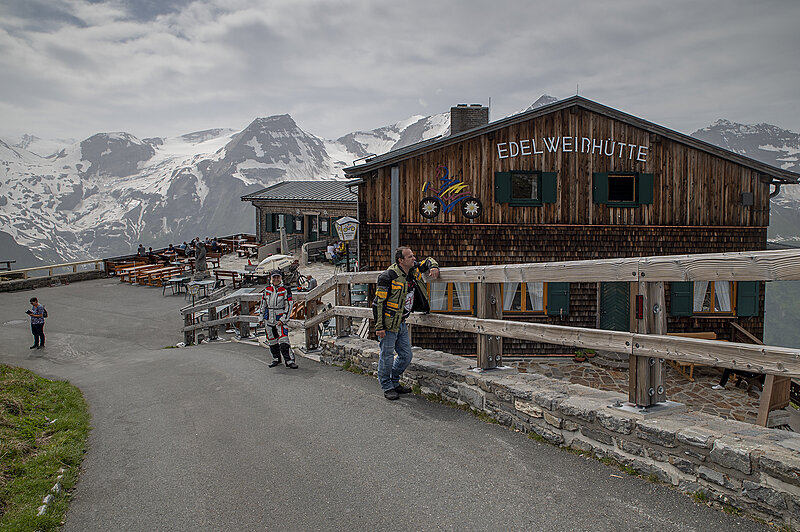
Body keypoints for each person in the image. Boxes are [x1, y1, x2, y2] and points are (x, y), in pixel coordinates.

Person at [373, 246, 439, 400]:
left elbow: (428, 261)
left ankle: (394, 381)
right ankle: (387, 386)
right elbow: (378, 303)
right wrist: (379, 326)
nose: (413, 258)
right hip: (389, 324)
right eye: (410, 257)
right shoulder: (388, 276)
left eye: (413, 255)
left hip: (402, 322)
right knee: (387, 356)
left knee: (406, 355)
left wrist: (434, 267)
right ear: (400, 260)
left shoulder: (414, 269)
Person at [259, 270, 298, 369]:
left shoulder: (285, 290)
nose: (276, 279)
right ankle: (276, 358)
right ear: (271, 278)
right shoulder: (267, 290)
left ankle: (289, 360)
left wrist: (284, 318)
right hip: (269, 318)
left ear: (281, 278)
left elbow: (289, 306)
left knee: (284, 340)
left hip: (280, 317)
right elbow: (263, 305)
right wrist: (261, 317)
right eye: (274, 277)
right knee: (272, 340)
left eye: (278, 277)